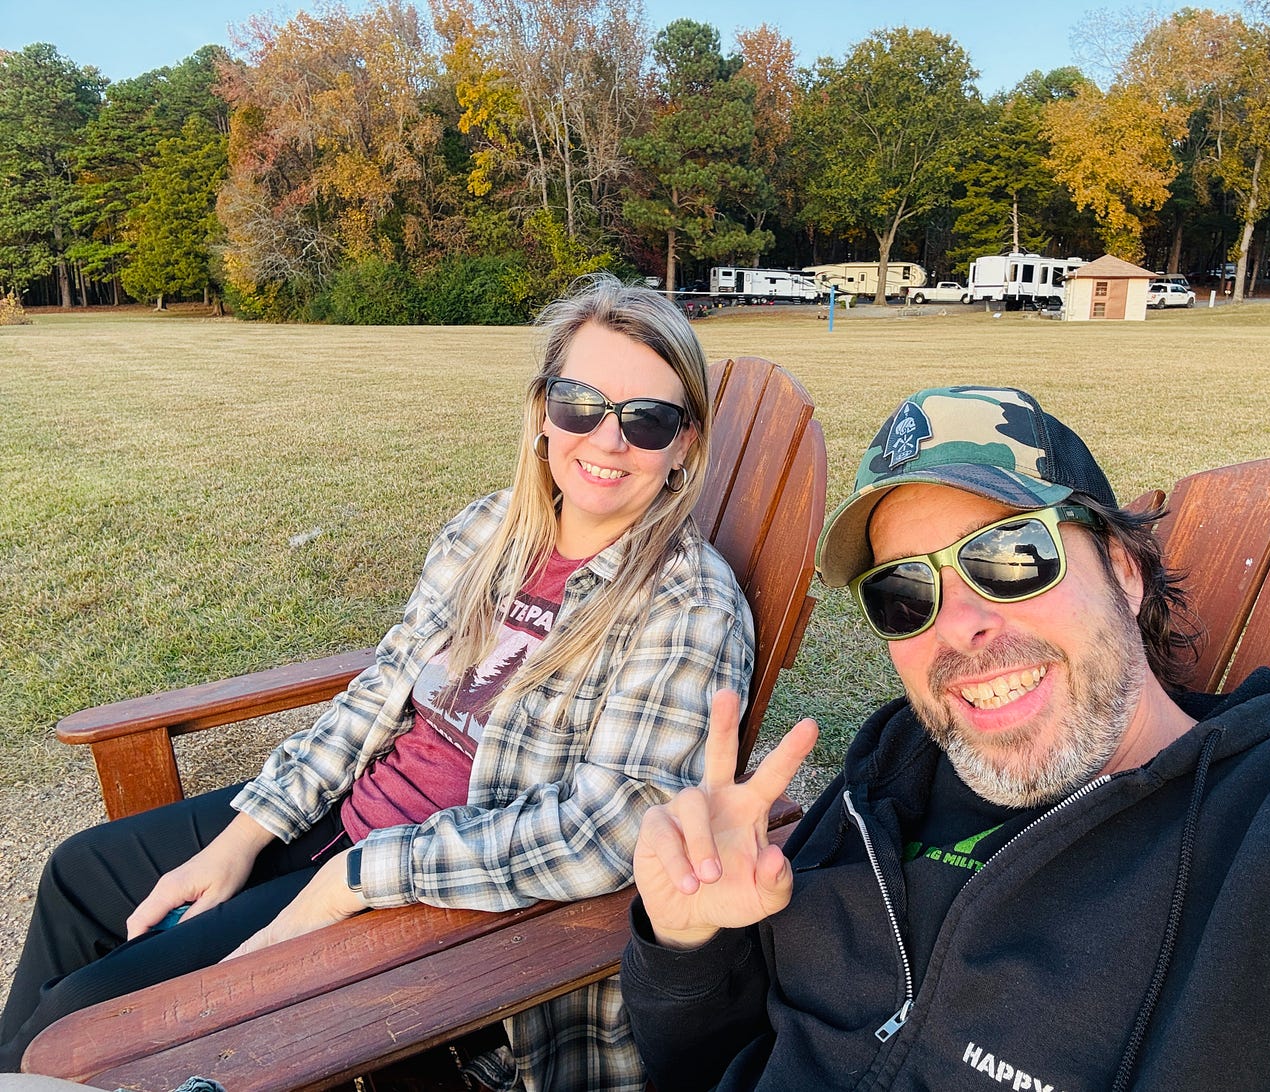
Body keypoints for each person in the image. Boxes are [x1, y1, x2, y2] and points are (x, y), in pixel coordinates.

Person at [2, 274, 755, 1091]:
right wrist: (243, 837)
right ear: (542, 412)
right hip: (343, 815)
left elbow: (610, 829)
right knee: (79, 874)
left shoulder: (688, 603)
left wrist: (352, 880)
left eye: (647, 420)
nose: (608, 442)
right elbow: (379, 692)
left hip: (432, 894)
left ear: (684, 443)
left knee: (77, 1024)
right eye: (581, 404)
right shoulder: (486, 531)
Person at [622, 385, 1270, 1090]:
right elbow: (711, 1063)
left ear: (1125, 572)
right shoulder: (887, 776)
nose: (960, 629)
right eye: (905, 593)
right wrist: (689, 945)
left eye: (1014, 556)